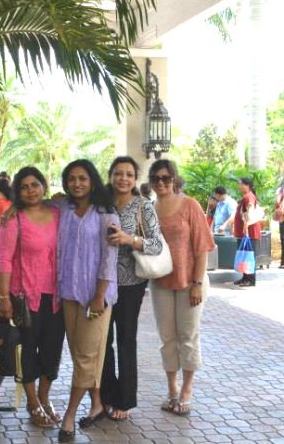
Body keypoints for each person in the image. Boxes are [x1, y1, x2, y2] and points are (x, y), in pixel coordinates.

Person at [0, 166, 64, 430]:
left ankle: (45, 397)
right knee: (27, 351)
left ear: (43, 185)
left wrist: (58, 198)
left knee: (52, 349)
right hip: (25, 296)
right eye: (24, 187)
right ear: (17, 191)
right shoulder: (13, 218)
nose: (30, 190)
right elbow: (3, 260)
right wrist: (4, 297)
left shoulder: (57, 213)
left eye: (35, 184)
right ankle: (33, 401)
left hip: (56, 296)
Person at [57, 159, 118, 442]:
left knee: (86, 357)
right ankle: (97, 403)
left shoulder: (106, 213)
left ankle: (69, 415)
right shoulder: (64, 209)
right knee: (81, 354)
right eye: (71, 179)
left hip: (96, 297)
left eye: (82, 178)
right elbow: (35, 202)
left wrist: (99, 296)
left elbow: (109, 258)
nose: (77, 183)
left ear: (92, 181)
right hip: (68, 293)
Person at [148, 159, 215, 417]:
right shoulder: (149, 210)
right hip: (161, 282)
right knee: (167, 338)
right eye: (156, 178)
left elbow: (202, 247)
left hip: (190, 282)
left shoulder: (190, 205)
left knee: (188, 336)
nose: (161, 182)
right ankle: (172, 389)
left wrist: (197, 283)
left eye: (166, 177)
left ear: (174, 179)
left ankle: (187, 389)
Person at [101, 157, 163, 421]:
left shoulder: (143, 205)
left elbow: (156, 245)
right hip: (101, 284)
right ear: (111, 175)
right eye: (118, 173)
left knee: (126, 340)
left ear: (135, 179)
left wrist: (130, 239)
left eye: (128, 174)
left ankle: (125, 400)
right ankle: (105, 396)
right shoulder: (101, 204)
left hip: (130, 285)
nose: (123, 179)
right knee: (102, 343)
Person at [231, 177, 261, 287]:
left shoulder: (249, 196)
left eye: (241, 184)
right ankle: (245, 278)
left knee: (249, 255)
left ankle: (251, 280)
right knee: (244, 255)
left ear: (247, 186)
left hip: (249, 232)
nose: (239, 186)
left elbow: (250, 210)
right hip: (244, 233)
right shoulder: (246, 196)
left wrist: (246, 226)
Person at [273, 180, 284, 269]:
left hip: (282, 216)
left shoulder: (280, 189)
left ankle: (283, 262)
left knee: (283, 239)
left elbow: (277, 202)